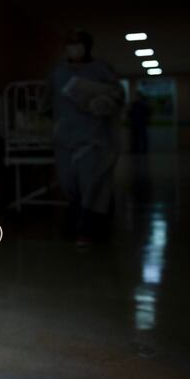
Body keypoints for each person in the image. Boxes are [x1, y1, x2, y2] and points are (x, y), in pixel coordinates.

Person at [46, 28, 123, 246]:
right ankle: (77, 227)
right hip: (65, 140)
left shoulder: (101, 70)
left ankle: (89, 231)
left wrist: (101, 101)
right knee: (70, 185)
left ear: (87, 46)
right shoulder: (59, 74)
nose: (73, 47)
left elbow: (117, 97)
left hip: (95, 140)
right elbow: (48, 103)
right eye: (69, 43)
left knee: (93, 187)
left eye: (77, 43)